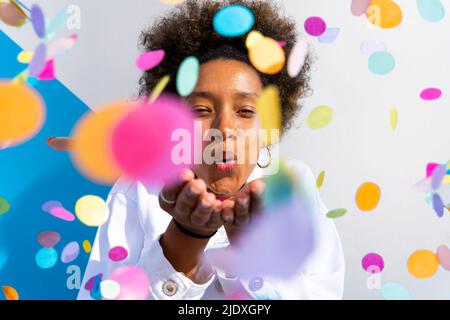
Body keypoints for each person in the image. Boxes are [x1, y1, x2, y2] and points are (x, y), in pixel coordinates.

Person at [78, 0, 345, 300]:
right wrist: (183, 244)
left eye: (245, 111)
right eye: (202, 110)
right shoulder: (140, 190)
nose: (224, 128)